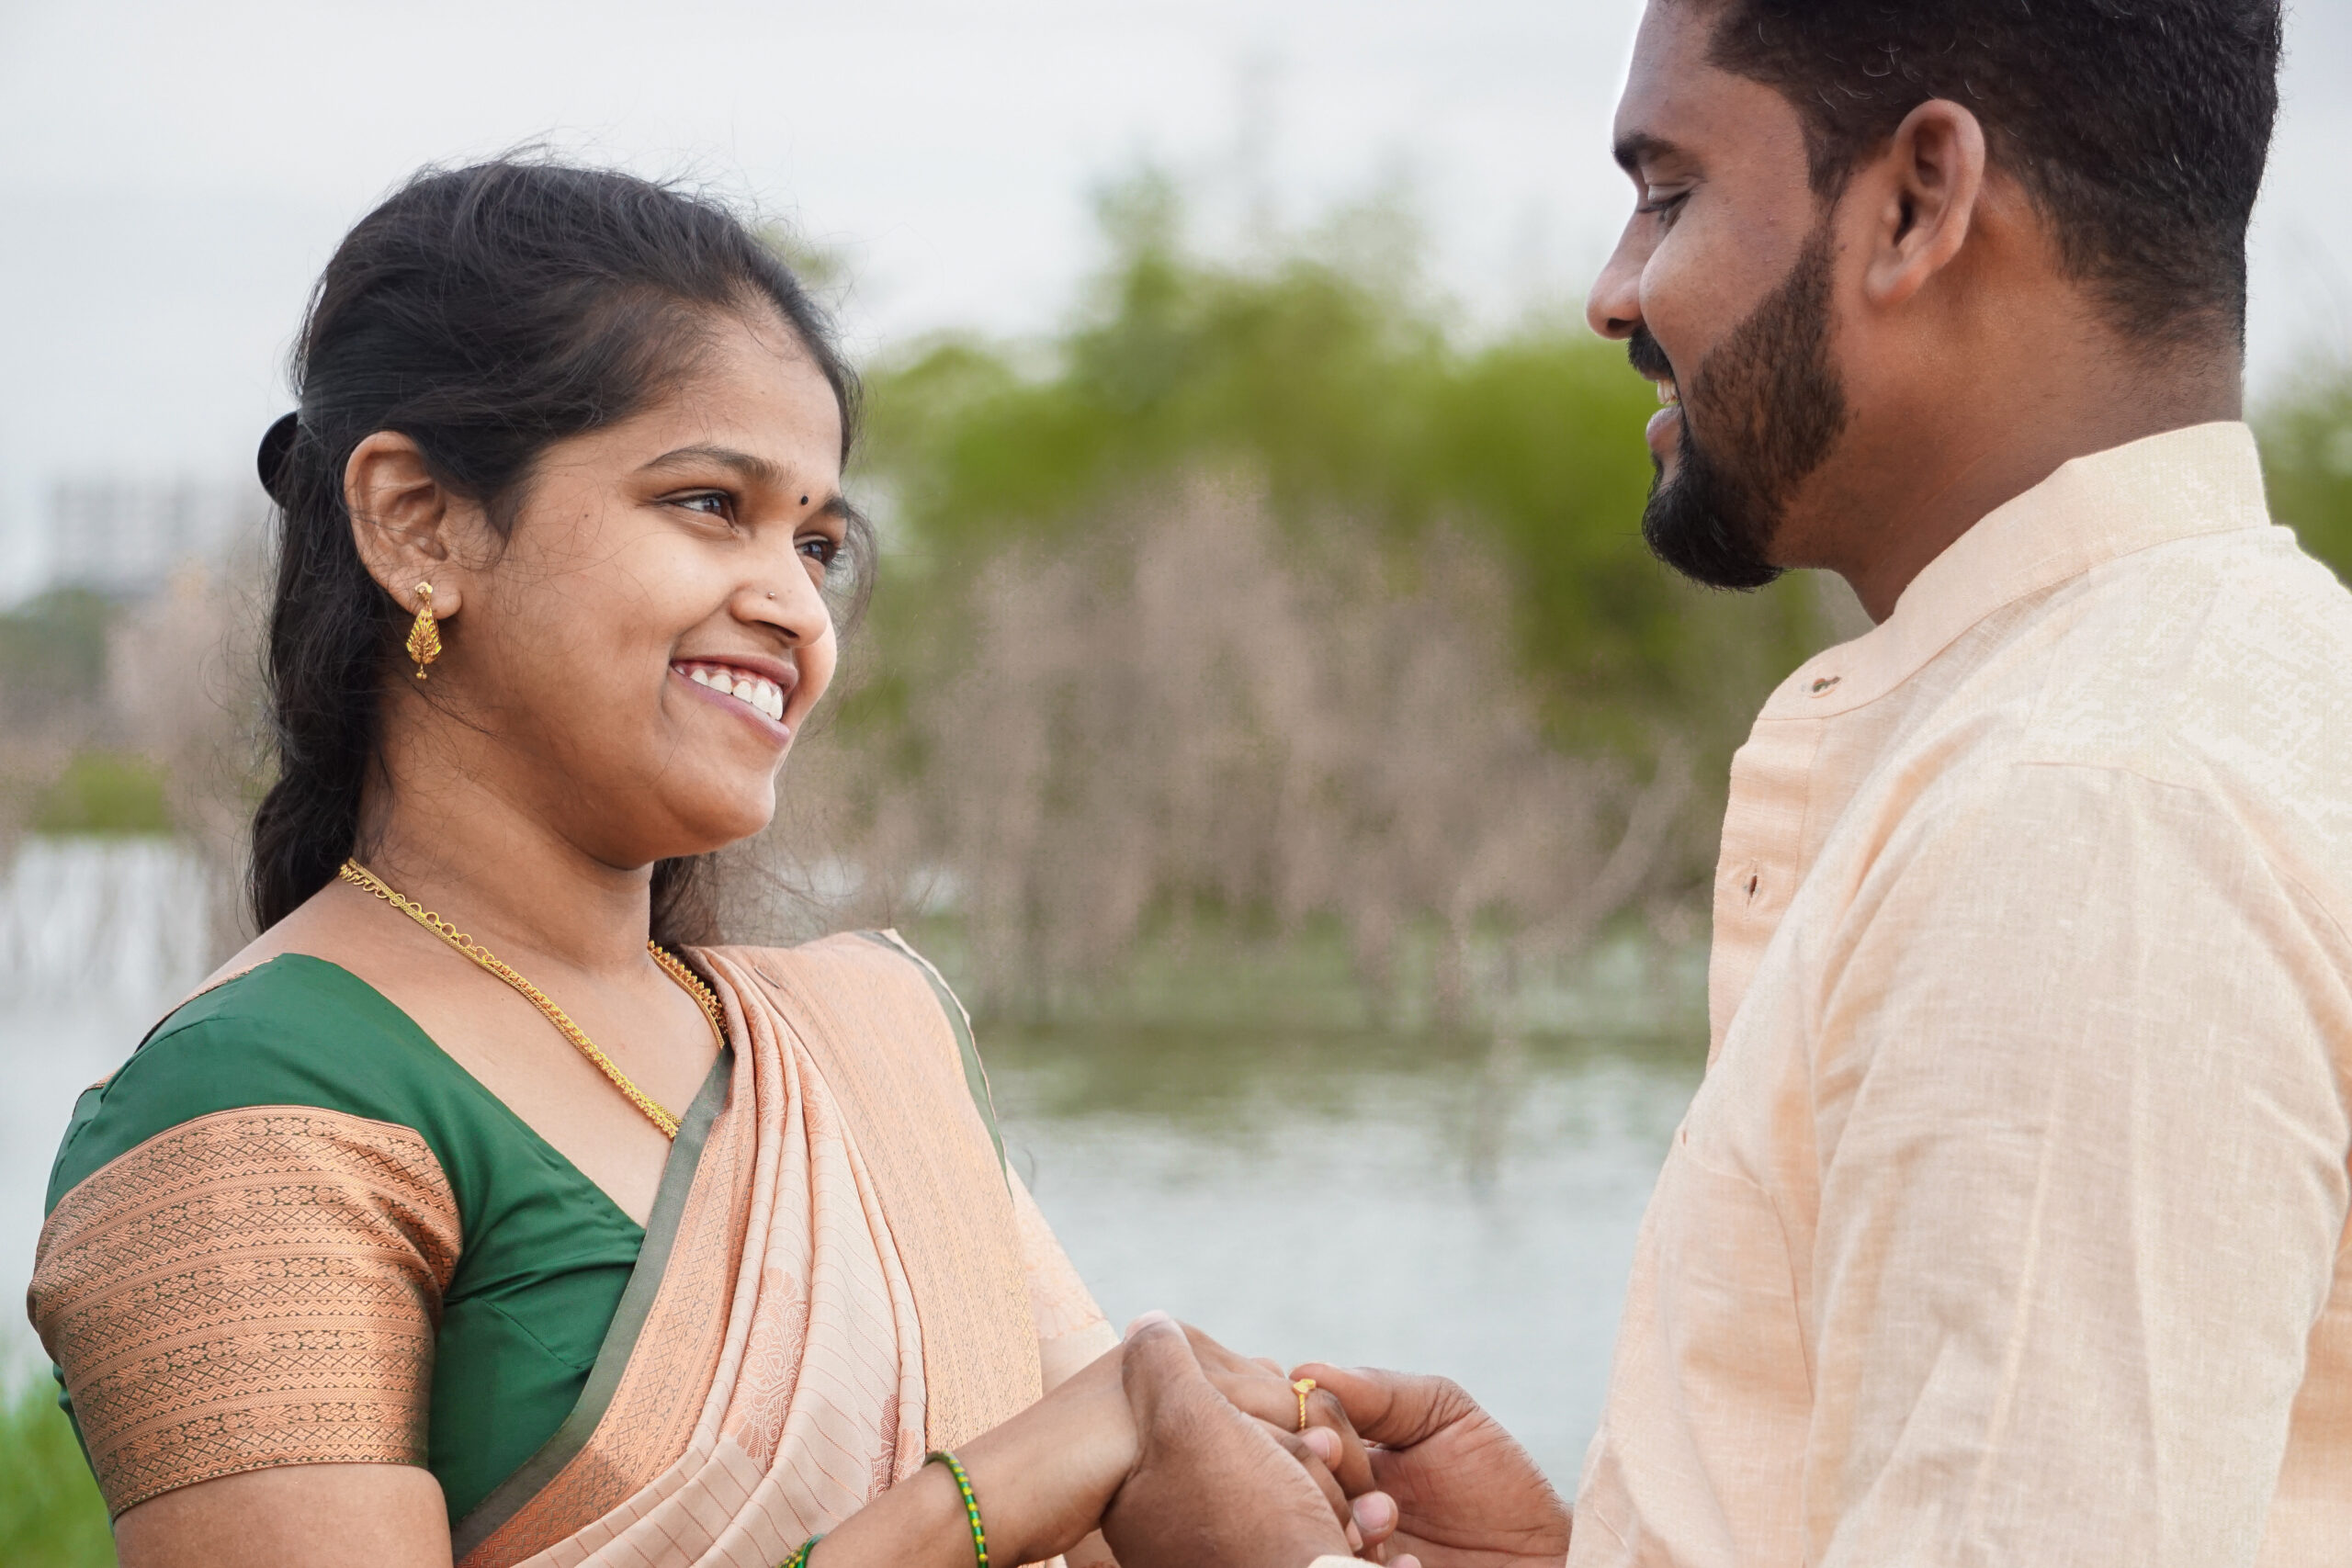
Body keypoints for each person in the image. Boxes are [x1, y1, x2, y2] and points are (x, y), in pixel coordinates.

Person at [1103, 1, 2352, 1564]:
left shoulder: (2088, 815)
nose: (1613, 290)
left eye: (1669, 191)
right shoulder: (2207, 707)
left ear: (1917, 203)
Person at [23, 161, 1378, 1568]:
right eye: (708, 505)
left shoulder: (866, 1049)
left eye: (819, 540)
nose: (794, 607)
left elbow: (1104, 1473)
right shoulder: (253, 1101)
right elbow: (1043, 1472)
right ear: (419, 525)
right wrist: (964, 1509)